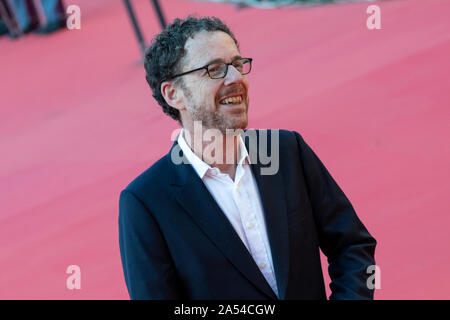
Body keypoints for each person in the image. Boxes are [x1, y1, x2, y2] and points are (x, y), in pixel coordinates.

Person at [118, 16, 377, 300]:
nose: (236, 79)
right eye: (214, 69)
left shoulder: (287, 150)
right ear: (174, 94)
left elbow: (352, 246)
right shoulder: (146, 202)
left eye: (238, 65)